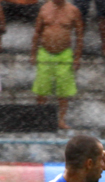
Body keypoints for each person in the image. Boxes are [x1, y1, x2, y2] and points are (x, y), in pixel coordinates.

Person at [31, 0, 84, 130]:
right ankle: (41, 119)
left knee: (63, 90)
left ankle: (60, 120)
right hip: (45, 52)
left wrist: (77, 57)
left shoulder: (73, 10)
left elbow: (79, 35)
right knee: (42, 89)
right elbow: (37, 32)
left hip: (64, 54)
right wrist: (33, 54)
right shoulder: (44, 8)